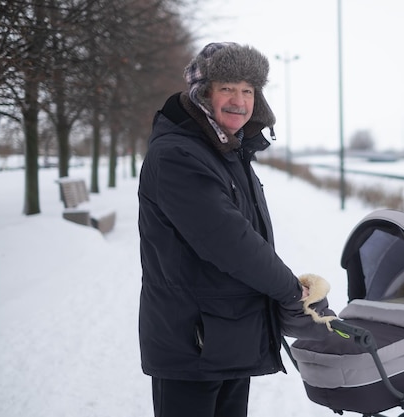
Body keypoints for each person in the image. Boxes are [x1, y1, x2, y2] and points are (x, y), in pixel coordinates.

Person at [137, 42, 336, 417]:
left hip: (224, 334)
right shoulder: (179, 155)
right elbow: (230, 242)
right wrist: (293, 291)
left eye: (248, 90)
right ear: (203, 94)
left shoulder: (226, 153)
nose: (239, 100)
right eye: (227, 88)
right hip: (193, 341)